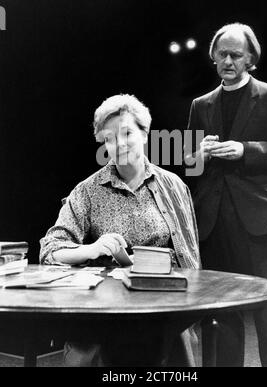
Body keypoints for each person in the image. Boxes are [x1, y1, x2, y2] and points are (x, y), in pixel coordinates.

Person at [40, 93, 201, 367]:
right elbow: (50, 249)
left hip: (161, 301)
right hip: (105, 308)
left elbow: (190, 257)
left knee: (172, 341)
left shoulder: (174, 186)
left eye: (127, 133)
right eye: (109, 138)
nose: (119, 144)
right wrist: (90, 249)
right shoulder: (88, 191)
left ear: (145, 134)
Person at [186, 22, 267, 367]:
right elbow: (189, 166)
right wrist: (198, 157)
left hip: (260, 220)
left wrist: (245, 150)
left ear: (251, 58)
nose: (228, 60)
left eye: (236, 54)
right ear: (213, 57)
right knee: (221, 316)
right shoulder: (201, 104)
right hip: (214, 220)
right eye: (222, 54)